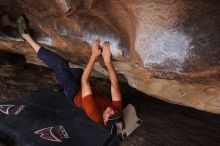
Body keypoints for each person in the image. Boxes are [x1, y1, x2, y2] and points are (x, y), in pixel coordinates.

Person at [17, 16, 123, 134]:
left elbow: (85, 81)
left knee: (59, 64)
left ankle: (26, 37)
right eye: (116, 114)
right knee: (77, 69)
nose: (113, 112)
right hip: (86, 90)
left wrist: (93, 56)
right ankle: (64, 76)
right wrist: (107, 61)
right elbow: (114, 85)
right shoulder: (117, 111)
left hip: (74, 92)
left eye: (110, 116)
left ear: (104, 120)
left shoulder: (94, 113)